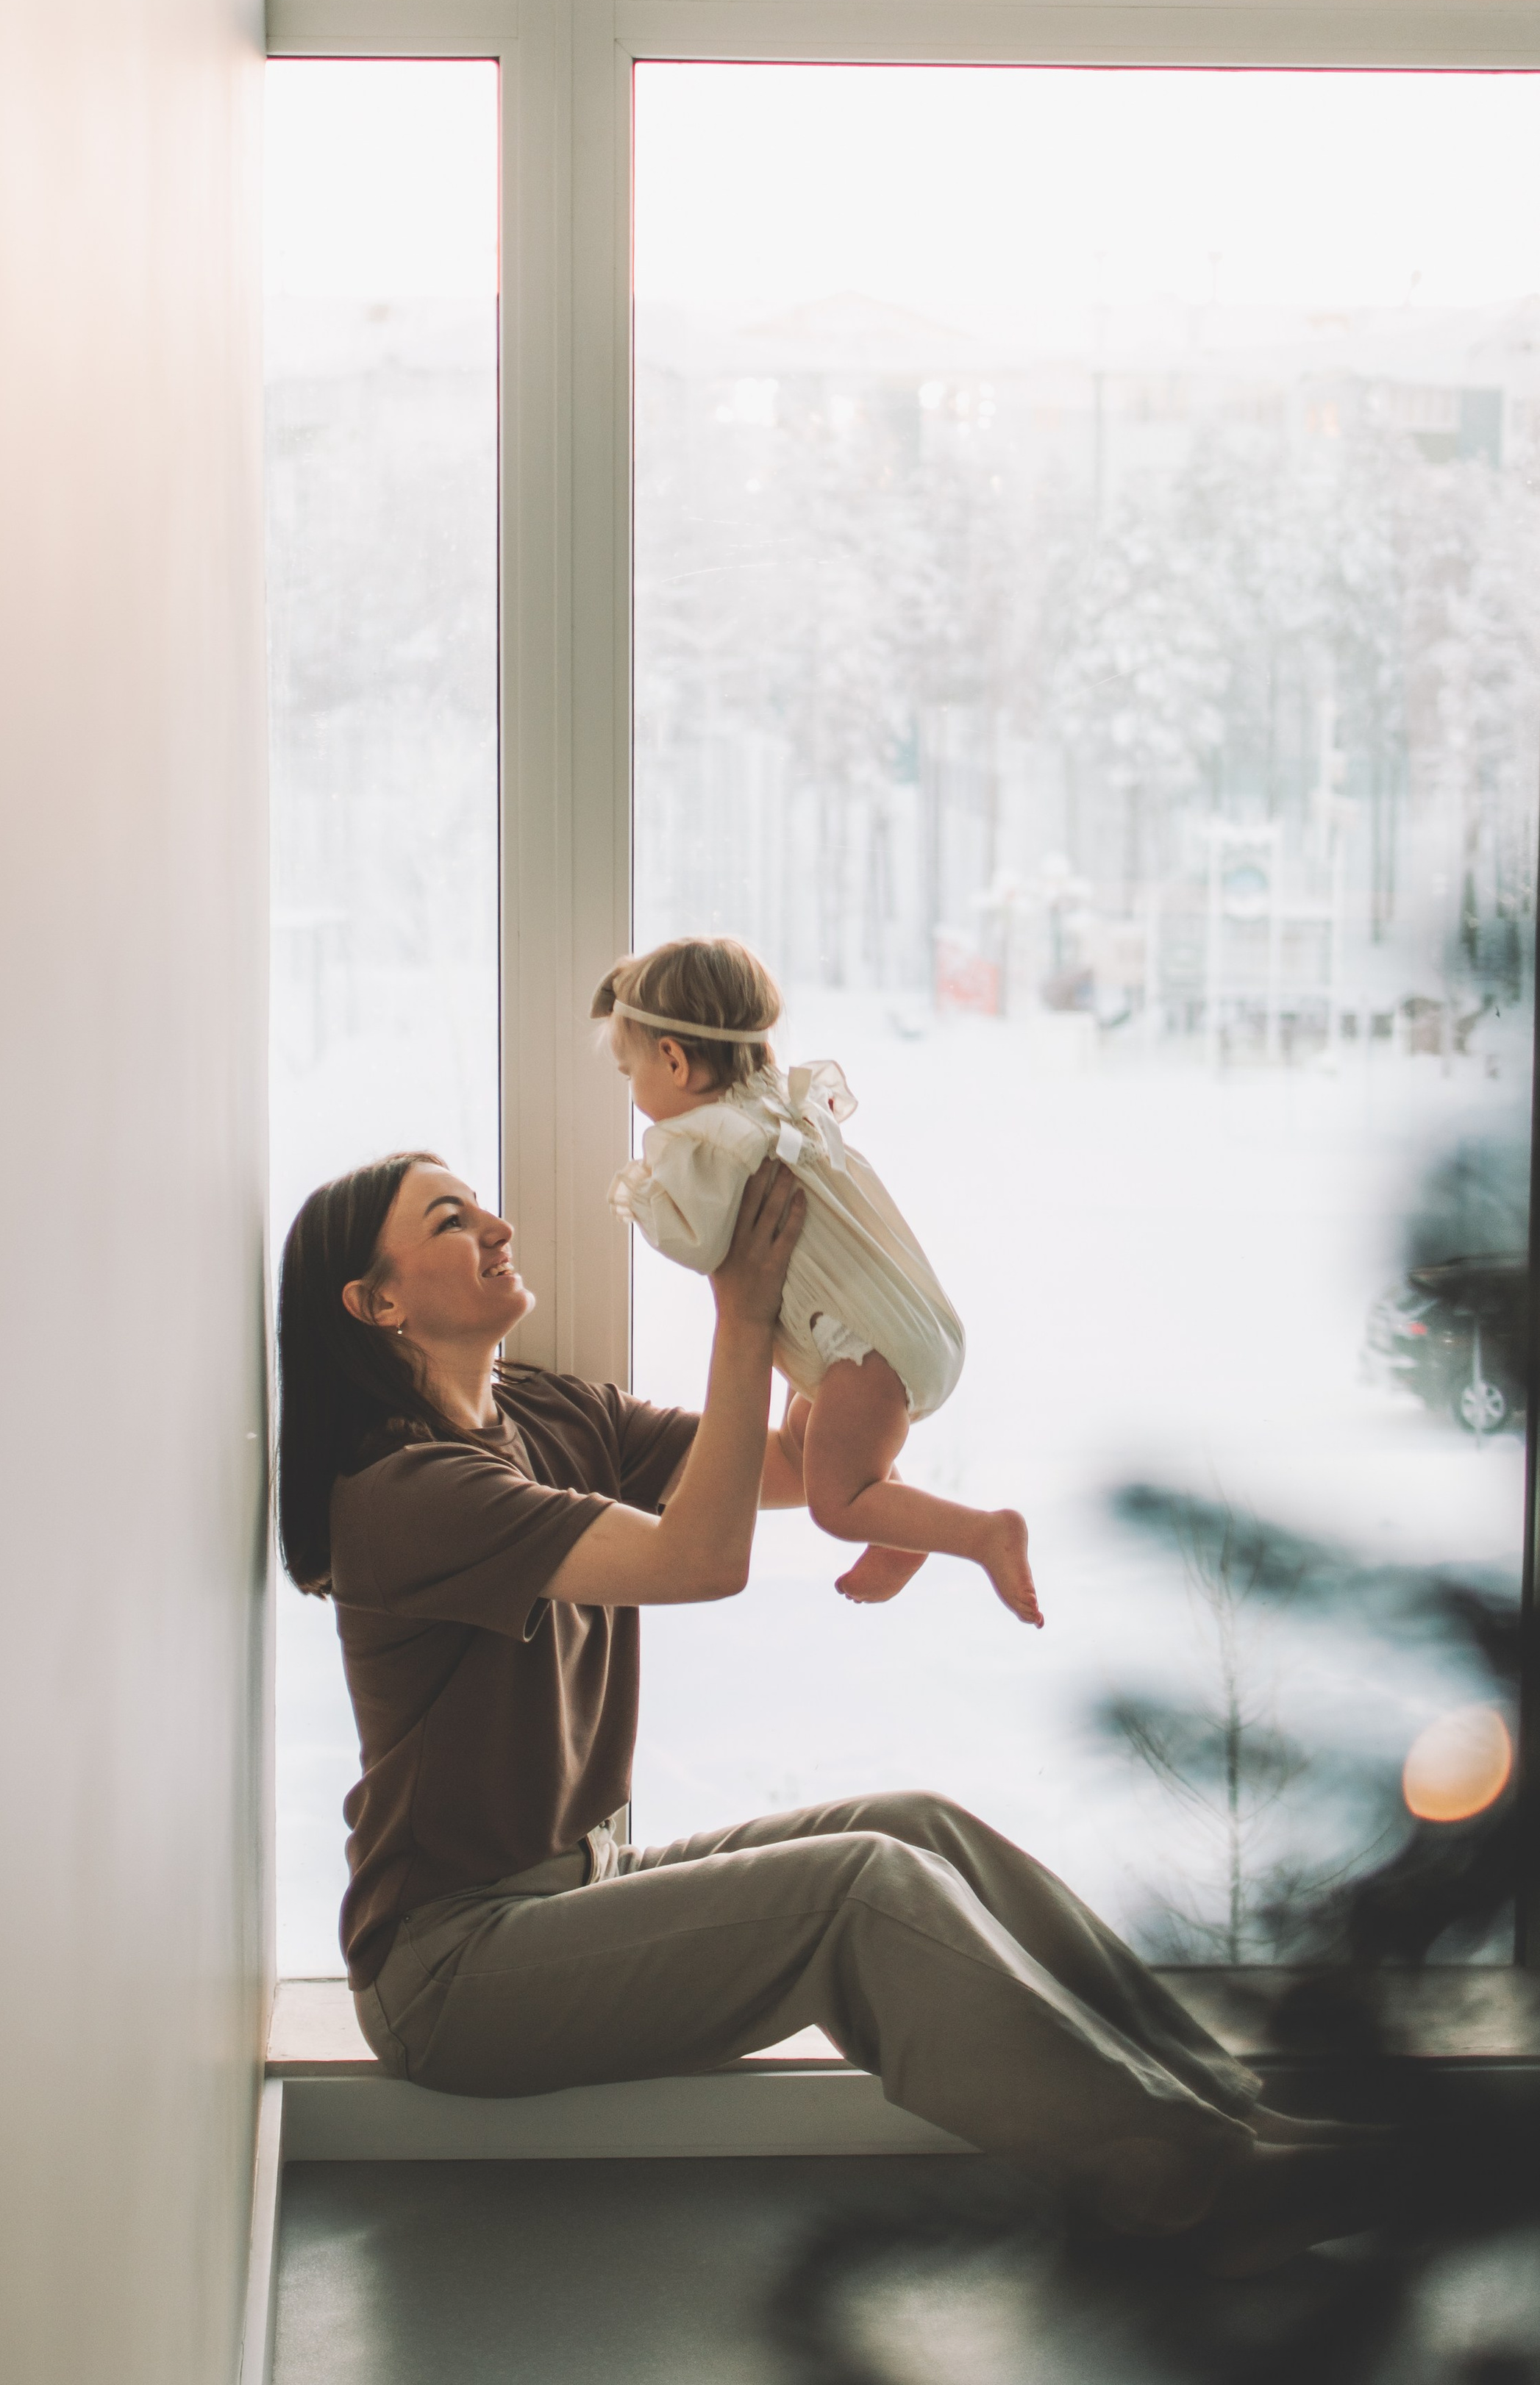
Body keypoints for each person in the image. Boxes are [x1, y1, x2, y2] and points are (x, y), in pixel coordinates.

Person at [276, 1146, 1386, 2278]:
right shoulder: (404, 1495)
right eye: (453, 1219)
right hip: (453, 1970)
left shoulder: (543, 1411)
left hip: (572, 1889)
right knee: (855, 1890)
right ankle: (1182, 2180)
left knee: (919, 1826)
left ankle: (1229, 2117)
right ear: (378, 1304)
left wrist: (840, 1319)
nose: (498, 1226)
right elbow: (704, 1556)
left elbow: (785, 1465)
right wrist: (740, 1311)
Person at [598, 935, 1038, 1619]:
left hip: (864, 1350)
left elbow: (705, 1241)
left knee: (835, 1501)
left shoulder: (711, 1140)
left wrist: (643, 1194)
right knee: (810, 1451)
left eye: (630, 1072)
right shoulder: (775, 1105)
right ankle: (897, 1531)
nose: (632, 1093)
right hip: (890, 1328)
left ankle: (982, 1532)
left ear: (675, 1061)